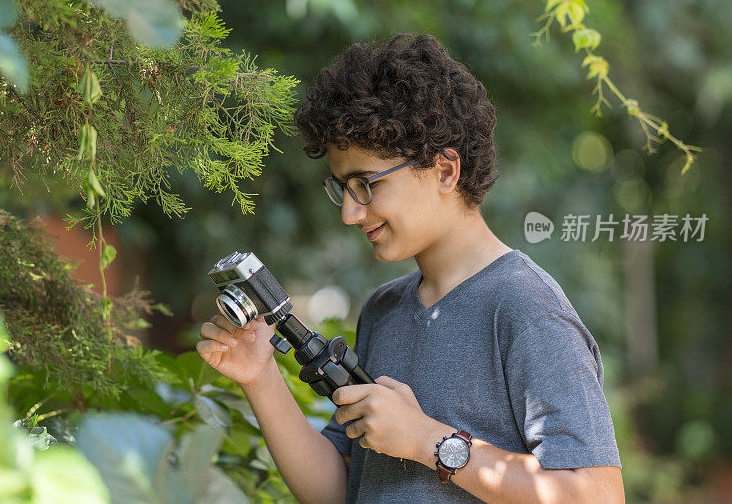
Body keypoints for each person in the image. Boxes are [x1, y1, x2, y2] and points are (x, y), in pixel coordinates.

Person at [197, 33, 624, 503]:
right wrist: (259, 376)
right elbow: (342, 490)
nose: (350, 213)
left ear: (445, 170)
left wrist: (428, 441)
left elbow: (596, 494)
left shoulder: (526, 307)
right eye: (343, 188)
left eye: (365, 184)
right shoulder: (384, 309)